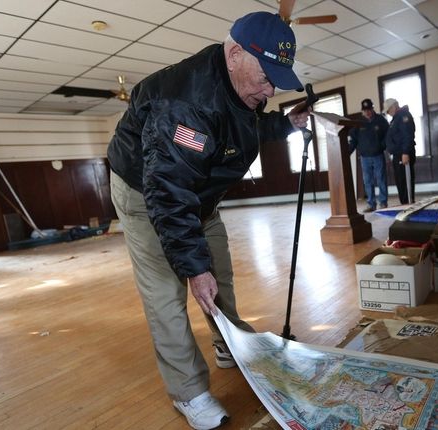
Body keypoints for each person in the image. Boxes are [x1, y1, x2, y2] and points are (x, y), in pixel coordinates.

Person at [106, 11, 310, 430]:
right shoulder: (184, 104)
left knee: (219, 274)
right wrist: (193, 268)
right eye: (266, 77)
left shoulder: (238, 82)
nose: (270, 89)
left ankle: (228, 346)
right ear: (234, 53)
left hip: (196, 193)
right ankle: (188, 392)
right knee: (169, 293)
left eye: (277, 78)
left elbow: (243, 120)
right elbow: (167, 191)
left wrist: (284, 124)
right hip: (148, 194)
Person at [348, 98, 389, 212]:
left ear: (372, 109)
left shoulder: (381, 120)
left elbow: (388, 134)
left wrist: (382, 146)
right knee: (368, 181)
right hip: (364, 157)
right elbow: (353, 140)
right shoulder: (358, 123)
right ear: (362, 111)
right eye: (365, 110)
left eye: (369, 109)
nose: (368, 112)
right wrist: (346, 153)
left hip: (378, 155)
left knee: (381, 179)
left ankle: (383, 203)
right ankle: (371, 204)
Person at [384, 98, 417, 204]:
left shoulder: (403, 115)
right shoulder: (396, 118)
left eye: (388, 110)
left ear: (394, 106)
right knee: (400, 181)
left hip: (403, 154)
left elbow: (407, 135)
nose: (388, 113)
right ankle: (404, 204)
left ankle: (408, 204)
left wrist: (405, 152)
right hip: (398, 154)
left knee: (405, 181)